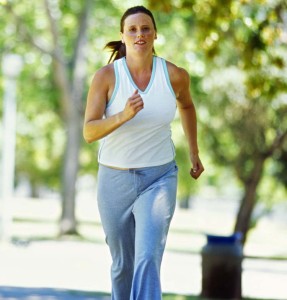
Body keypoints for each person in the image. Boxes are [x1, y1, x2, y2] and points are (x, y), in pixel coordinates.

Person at [83, 5, 204, 300]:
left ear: (155, 34)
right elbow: (89, 132)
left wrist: (194, 152)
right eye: (133, 29)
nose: (140, 34)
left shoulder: (174, 75)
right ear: (123, 36)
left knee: (148, 257)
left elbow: (186, 106)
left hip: (158, 178)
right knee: (122, 266)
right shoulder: (106, 77)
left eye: (146, 28)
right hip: (114, 180)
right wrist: (123, 115)